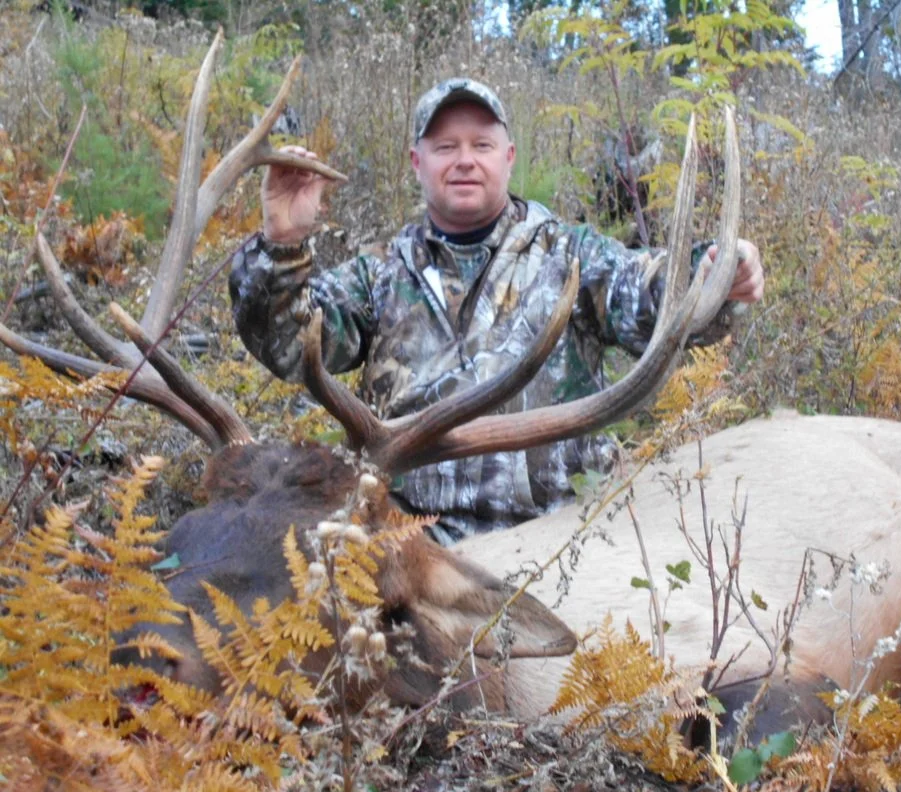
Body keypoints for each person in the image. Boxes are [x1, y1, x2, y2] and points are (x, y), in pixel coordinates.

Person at [230, 78, 764, 544]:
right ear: (417, 163)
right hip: (411, 544)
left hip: (560, 538)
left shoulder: (569, 255)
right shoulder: (380, 275)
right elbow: (290, 345)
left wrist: (714, 271)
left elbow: (644, 292)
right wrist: (282, 244)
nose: (464, 160)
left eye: (481, 145)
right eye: (445, 147)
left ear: (508, 157)